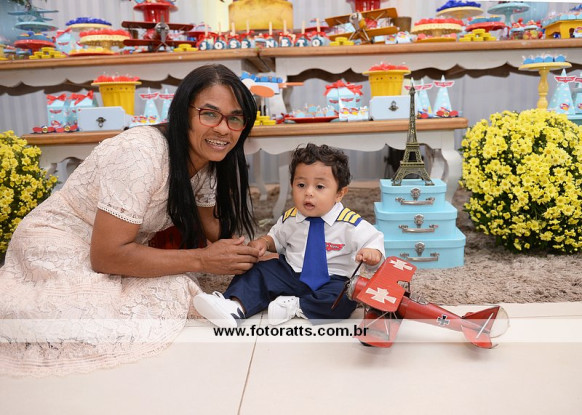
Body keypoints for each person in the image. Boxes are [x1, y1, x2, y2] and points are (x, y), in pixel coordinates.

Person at [0, 64, 261, 376]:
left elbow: (213, 229)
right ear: (183, 112)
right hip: (58, 242)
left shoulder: (208, 160)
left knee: (186, 285)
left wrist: (253, 251)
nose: (223, 129)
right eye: (210, 114)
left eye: (235, 118)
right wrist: (203, 259)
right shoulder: (139, 153)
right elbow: (106, 256)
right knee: (149, 298)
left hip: (113, 250)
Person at [193, 143, 385, 328]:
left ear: (339, 193)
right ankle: (234, 306)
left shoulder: (351, 224)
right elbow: (276, 239)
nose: (308, 193)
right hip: (291, 273)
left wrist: (372, 253)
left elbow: (374, 243)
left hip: (333, 279)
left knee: (345, 296)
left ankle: (296, 306)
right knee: (258, 270)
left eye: (319, 187)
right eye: (301, 185)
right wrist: (264, 242)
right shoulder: (291, 217)